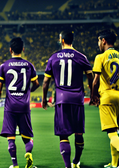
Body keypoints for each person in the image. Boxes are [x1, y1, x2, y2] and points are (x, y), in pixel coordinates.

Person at [42, 31, 93, 168]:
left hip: (61, 99)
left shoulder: (53, 58)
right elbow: (91, 76)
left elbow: (46, 82)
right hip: (77, 99)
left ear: (62, 40)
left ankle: (67, 166)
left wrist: (44, 99)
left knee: (63, 135)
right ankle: (76, 161)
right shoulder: (81, 57)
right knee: (79, 132)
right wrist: (92, 93)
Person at [0, 37, 40, 168]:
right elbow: (37, 84)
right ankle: (28, 155)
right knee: (27, 136)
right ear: (23, 49)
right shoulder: (29, 65)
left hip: (10, 106)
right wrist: (29, 90)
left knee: (10, 136)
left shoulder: (4, 66)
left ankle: (15, 165)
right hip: (24, 106)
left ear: (10, 50)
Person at [91, 30, 119, 168]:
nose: (98, 44)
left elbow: (95, 81)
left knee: (112, 133)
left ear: (103, 41)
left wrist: (93, 96)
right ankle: (114, 164)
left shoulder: (100, 57)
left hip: (107, 97)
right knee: (116, 132)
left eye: (98, 41)